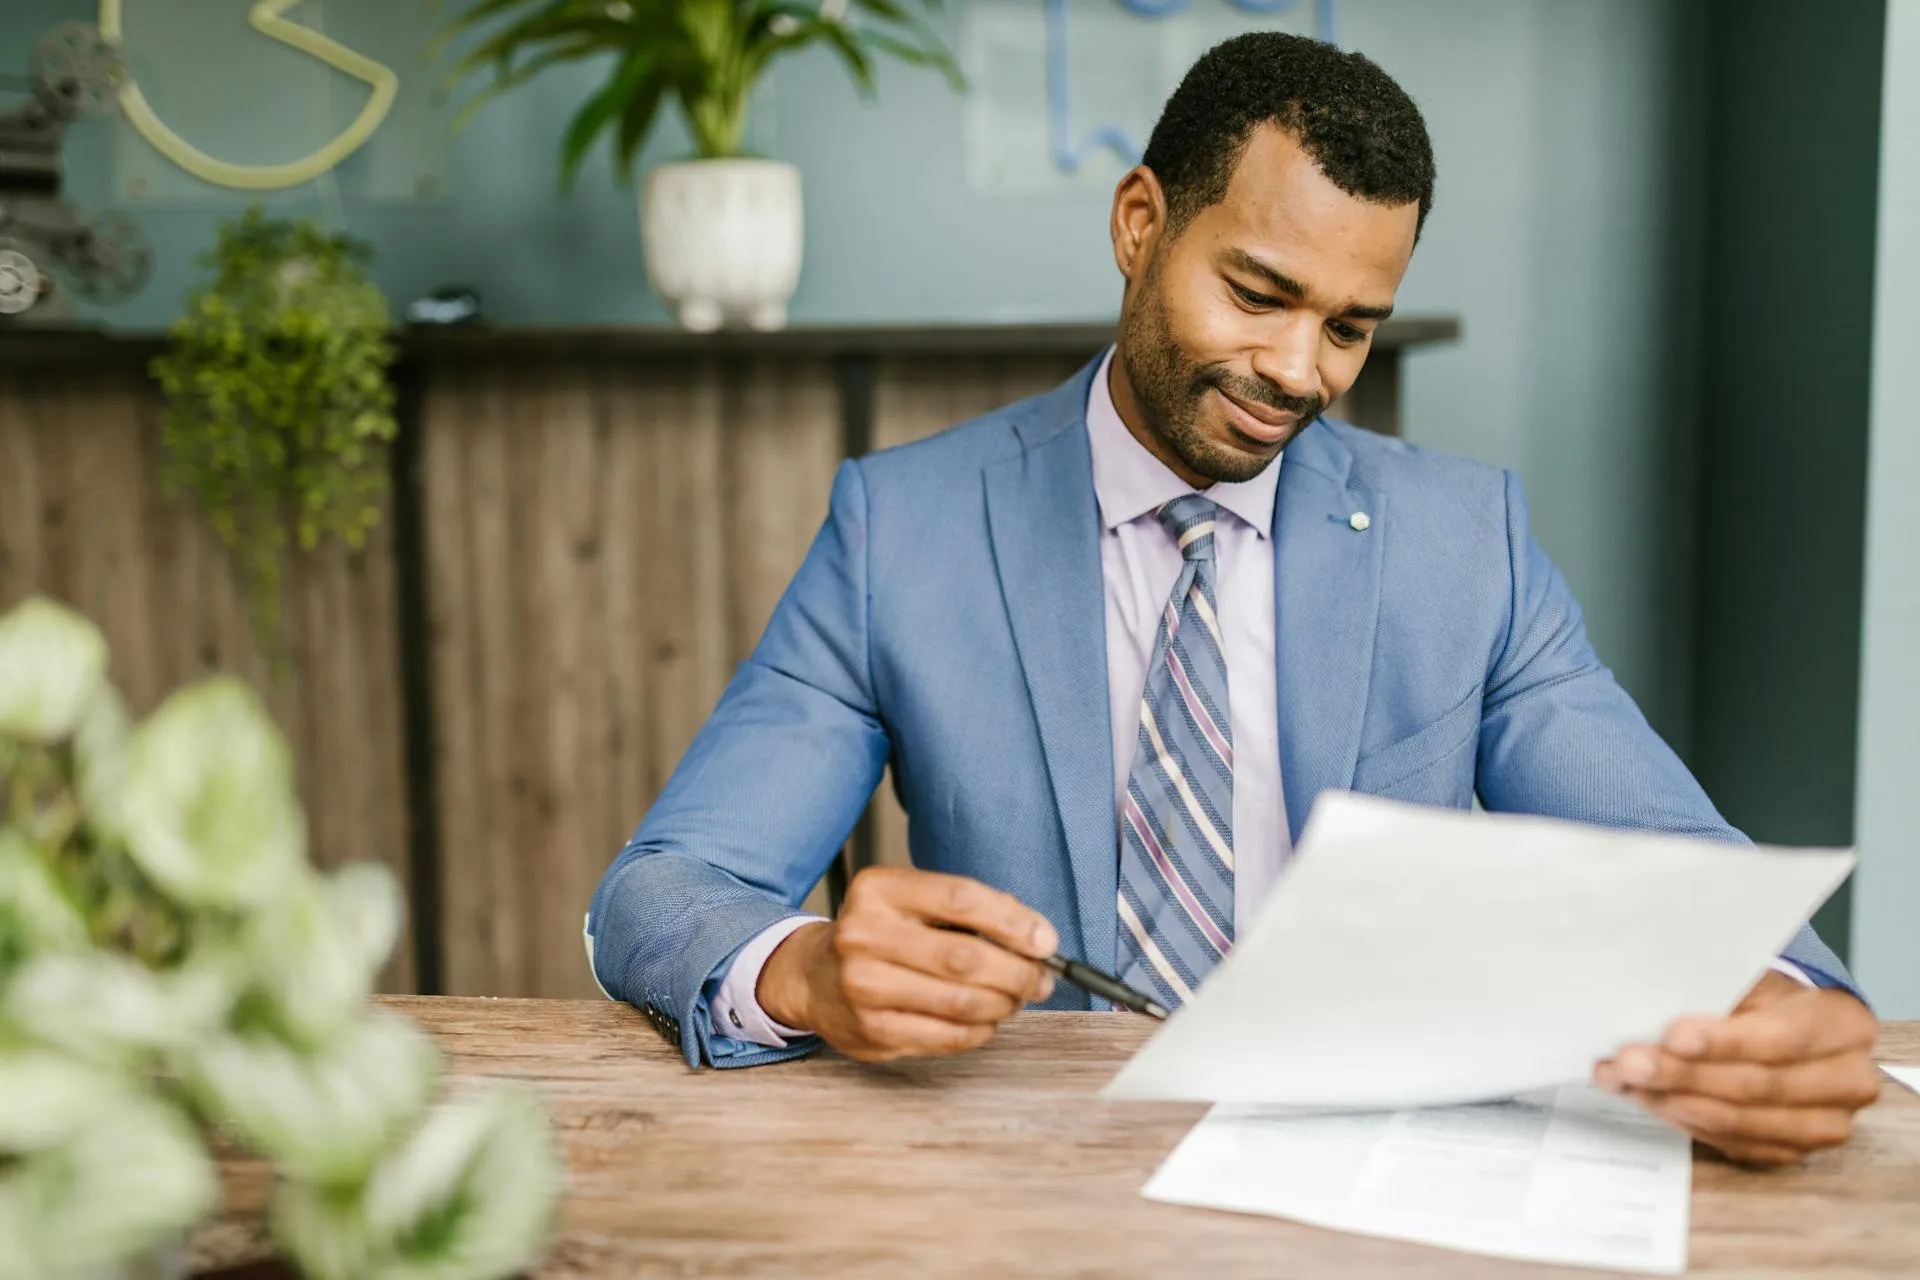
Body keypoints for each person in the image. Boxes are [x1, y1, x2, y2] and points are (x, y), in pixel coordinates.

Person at [587, 32, 1880, 1167]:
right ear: (1139, 221)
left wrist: (1779, 1001)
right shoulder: (904, 529)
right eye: (1259, 295)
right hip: (1029, 1170)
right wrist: (806, 971)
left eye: (1351, 326)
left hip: (1385, 1174)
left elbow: (1689, 867)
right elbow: (661, 890)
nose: (1297, 370)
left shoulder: (1464, 540)